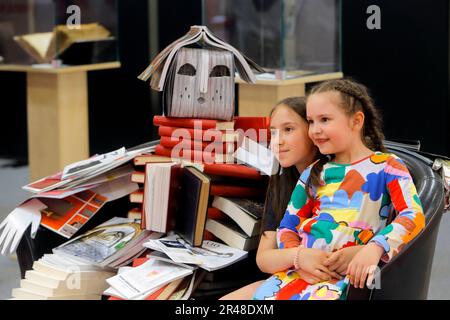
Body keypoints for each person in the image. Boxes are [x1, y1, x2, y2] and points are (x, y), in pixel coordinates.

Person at [252, 78, 425, 300]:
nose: (315, 130)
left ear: (356, 121)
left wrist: (375, 248)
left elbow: (413, 215)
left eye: (324, 120)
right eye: (311, 121)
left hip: (345, 282)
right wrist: (300, 257)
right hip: (301, 275)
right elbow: (288, 226)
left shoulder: (389, 166)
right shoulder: (313, 172)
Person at [220, 96, 323, 299]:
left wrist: (287, 260)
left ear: (313, 131)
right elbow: (264, 259)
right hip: (290, 276)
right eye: (273, 133)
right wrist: (298, 258)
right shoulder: (282, 180)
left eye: (288, 129)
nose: (278, 141)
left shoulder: (333, 179)